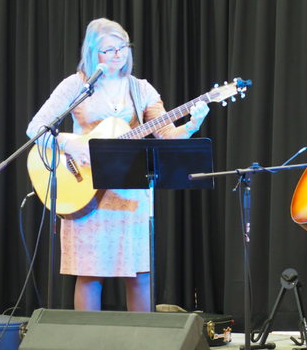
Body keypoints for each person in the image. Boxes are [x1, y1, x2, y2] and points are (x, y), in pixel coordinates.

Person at [27, 18, 209, 312]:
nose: (116, 55)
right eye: (107, 50)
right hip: (84, 190)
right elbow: (36, 128)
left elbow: (166, 135)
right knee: (90, 274)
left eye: (121, 48)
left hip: (131, 191)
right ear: (91, 53)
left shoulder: (141, 89)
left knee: (139, 274)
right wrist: (70, 143)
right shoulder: (76, 85)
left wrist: (191, 124)